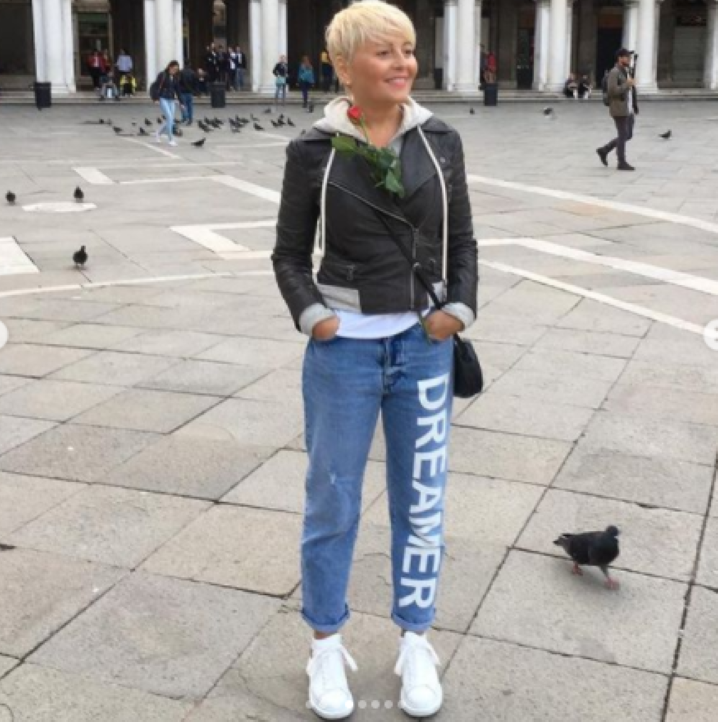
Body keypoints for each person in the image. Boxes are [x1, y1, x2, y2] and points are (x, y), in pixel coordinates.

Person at [272, 2, 477, 719]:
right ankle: (325, 645)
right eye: (385, 52)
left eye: (408, 50)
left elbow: (462, 241)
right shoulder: (313, 150)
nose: (403, 64)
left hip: (424, 347)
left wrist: (458, 310)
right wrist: (317, 317)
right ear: (343, 65)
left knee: (421, 501)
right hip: (343, 354)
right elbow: (289, 254)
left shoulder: (440, 139)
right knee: (332, 503)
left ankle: (416, 638)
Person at [597, 48, 639, 171]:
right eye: (626, 57)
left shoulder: (626, 71)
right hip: (619, 108)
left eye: (629, 57)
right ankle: (621, 161)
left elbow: (631, 90)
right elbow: (612, 90)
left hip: (628, 108)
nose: (629, 60)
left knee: (628, 135)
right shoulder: (614, 72)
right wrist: (627, 84)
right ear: (620, 58)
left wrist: (634, 104)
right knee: (623, 134)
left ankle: (604, 149)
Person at [153, 60, 185, 147]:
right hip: (163, 98)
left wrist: (181, 102)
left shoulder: (175, 77)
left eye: (176, 70)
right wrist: (155, 98)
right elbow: (156, 86)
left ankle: (158, 133)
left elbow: (178, 90)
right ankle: (171, 139)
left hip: (171, 99)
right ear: (170, 67)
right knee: (170, 118)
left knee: (170, 120)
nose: (175, 71)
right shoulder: (162, 75)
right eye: (174, 69)